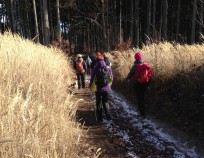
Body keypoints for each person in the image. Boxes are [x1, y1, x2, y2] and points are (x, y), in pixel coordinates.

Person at [126, 52, 152, 118]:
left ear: (135, 58)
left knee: (139, 99)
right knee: (142, 98)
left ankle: (142, 114)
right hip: (145, 84)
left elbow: (129, 75)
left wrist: (127, 79)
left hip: (137, 85)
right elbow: (150, 75)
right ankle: (144, 112)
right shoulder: (145, 65)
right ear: (141, 58)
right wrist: (148, 84)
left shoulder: (135, 66)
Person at [89, 51, 113, 122]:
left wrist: (91, 86)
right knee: (105, 102)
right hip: (106, 88)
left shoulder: (95, 68)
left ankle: (100, 118)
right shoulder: (108, 68)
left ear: (97, 60)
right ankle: (108, 116)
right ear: (103, 60)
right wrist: (109, 85)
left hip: (98, 88)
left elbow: (92, 78)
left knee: (98, 103)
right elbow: (111, 77)